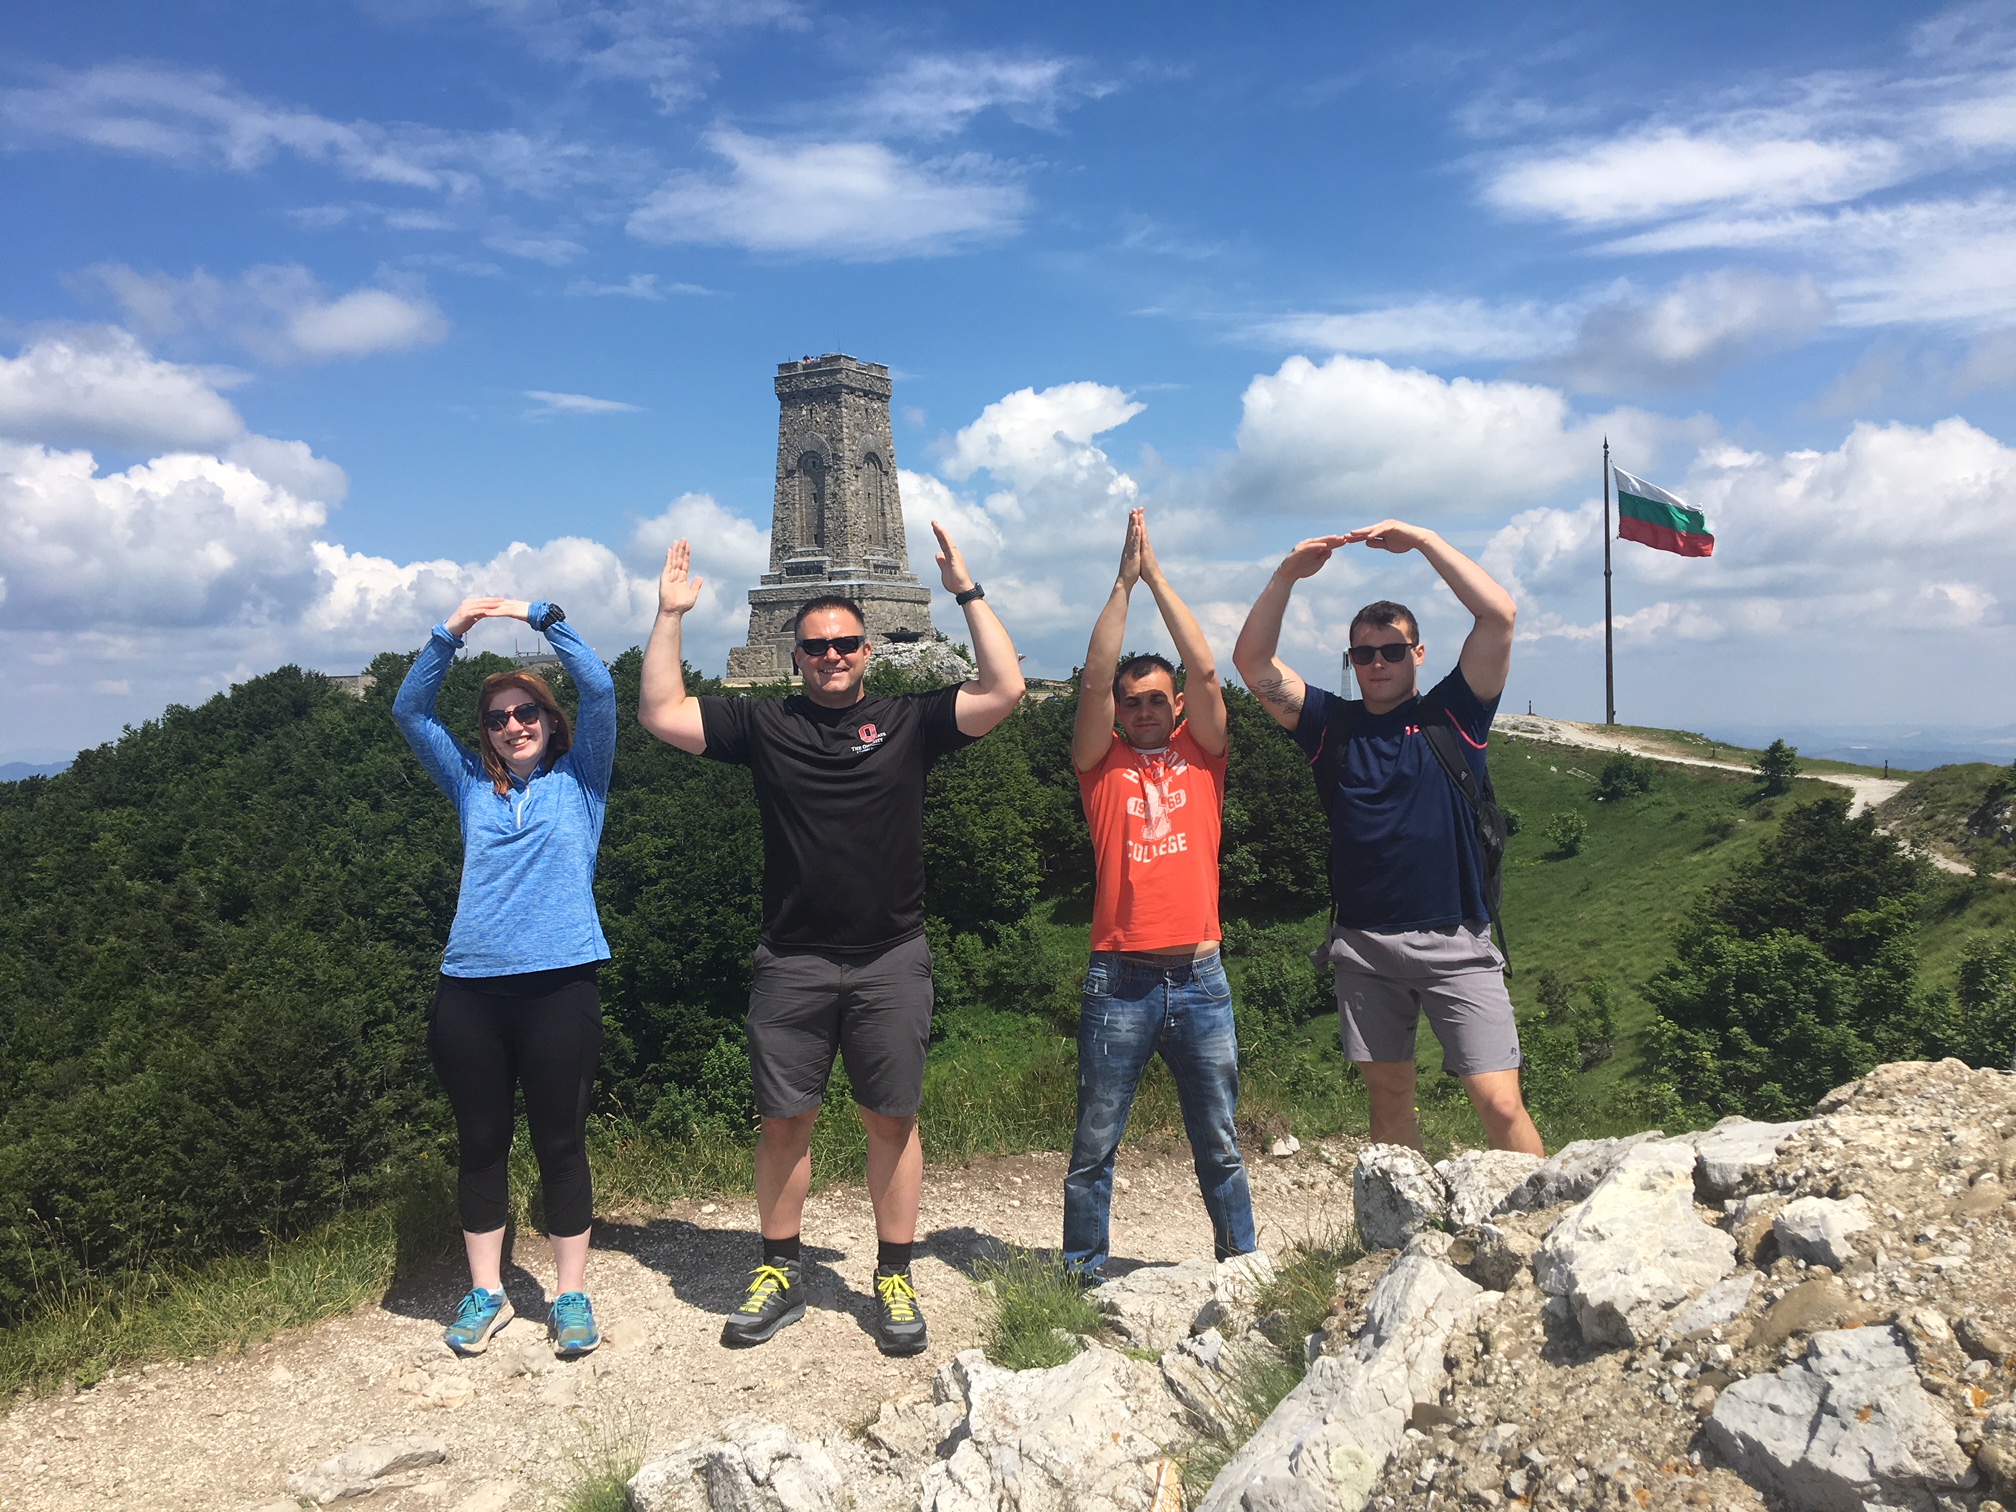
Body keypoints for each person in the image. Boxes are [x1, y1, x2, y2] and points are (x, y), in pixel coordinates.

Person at [636, 529, 1025, 1355]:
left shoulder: (908, 721)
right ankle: (780, 1270)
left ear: (867, 650)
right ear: (797, 656)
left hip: (891, 956)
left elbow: (1005, 689)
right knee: (785, 1121)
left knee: (892, 1120)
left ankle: (894, 1274)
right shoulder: (765, 724)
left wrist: (966, 590)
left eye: (845, 643)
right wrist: (670, 615)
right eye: (815, 647)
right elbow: (660, 713)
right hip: (793, 958)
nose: (831, 657)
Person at [1231, 521, 1543, 1156]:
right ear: (1351, 660)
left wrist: (1425, 541)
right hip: (1364, 945)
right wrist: (1286, 574)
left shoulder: (1455, 712)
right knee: (1390, 1098)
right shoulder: (1330, 724)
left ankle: (1546, 1211)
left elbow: (1499, 615)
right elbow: (1253, 664)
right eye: (1364, 654)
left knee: (1500, 1102)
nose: (1377, 664)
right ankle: (1398, 1217)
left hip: (1457, 938)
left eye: (1393, 651)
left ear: (1417, 654)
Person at [392, 596, 617, 1359]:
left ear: (550, 721)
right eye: (496, 718)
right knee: (482, 1141)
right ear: (484, 732)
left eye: (526, 713)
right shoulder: (468, 785)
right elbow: (410, 711)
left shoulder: (581, 781)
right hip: (472, 990)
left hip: (561, 986)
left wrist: (540, 617)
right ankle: (487, 1292)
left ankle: (570, 1295)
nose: (513, 725)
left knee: (560, 1142)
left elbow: (602, 690)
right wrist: (451, 632)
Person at [1063, 508, 1256, 1282]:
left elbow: (1206, 673)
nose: (1143, 708)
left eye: (1156, 699)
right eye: (1131, 700)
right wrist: (1121, 585)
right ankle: (1082, 1275)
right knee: (1094, 1143)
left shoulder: (1204, 754)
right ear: (1118, 709)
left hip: (1201, 976)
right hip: (1120, 978)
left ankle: (1240, 1268)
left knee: (1220, 1141)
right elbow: (1092, 678)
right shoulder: (1099, 763)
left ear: (1175, 707)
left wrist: (1158, 579)